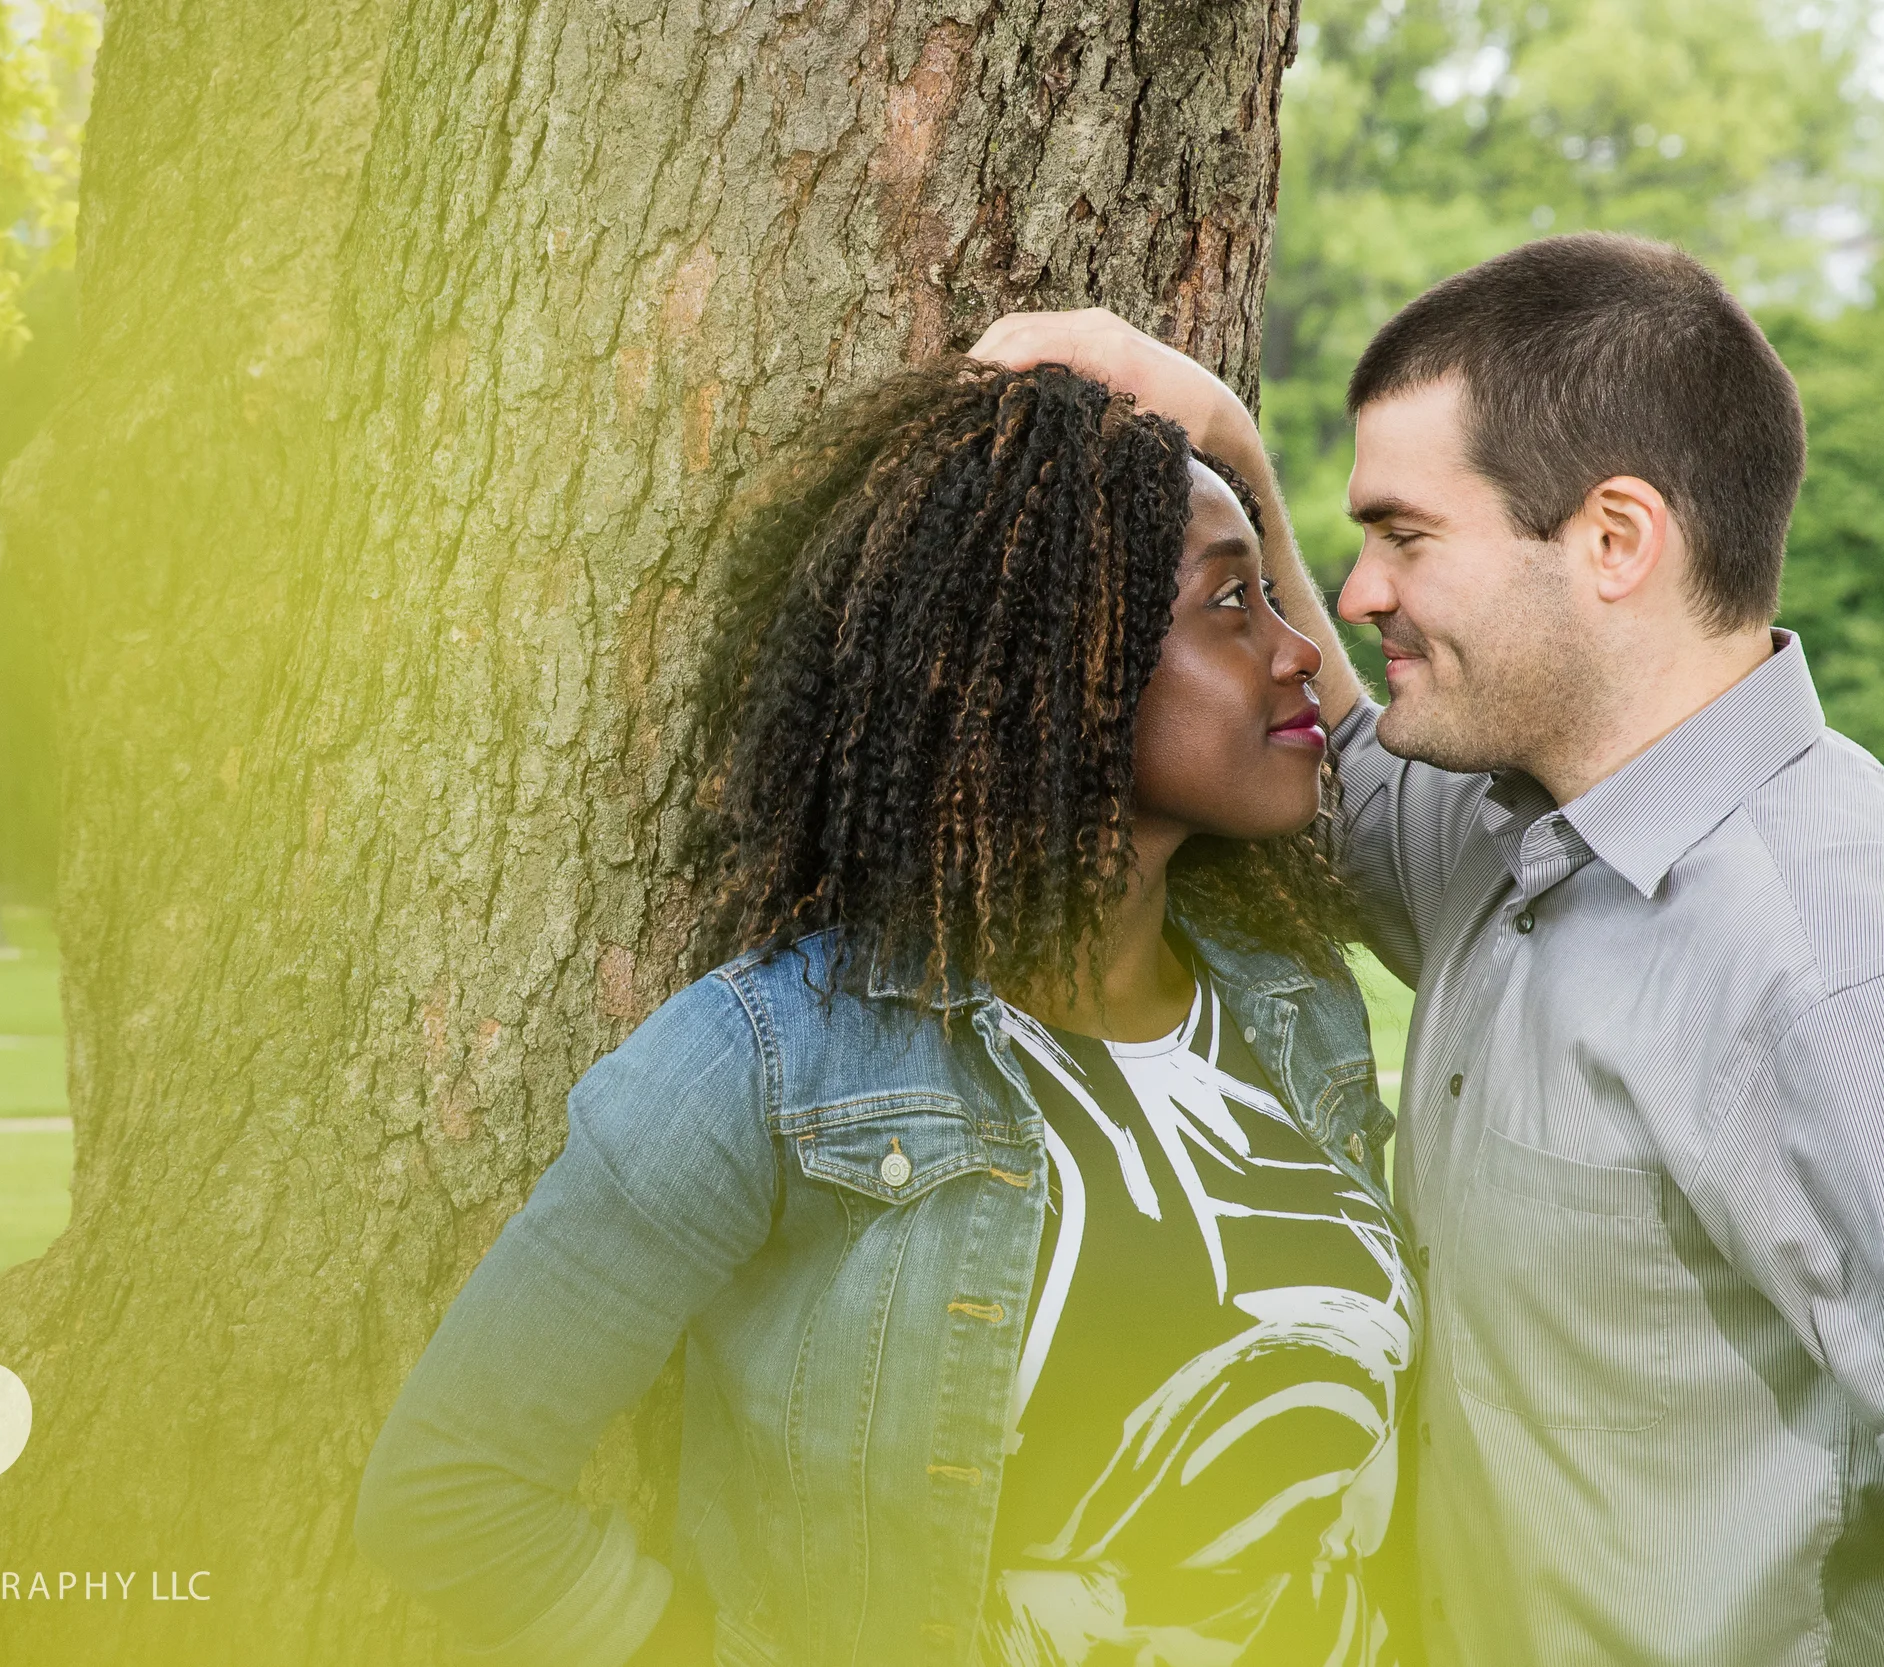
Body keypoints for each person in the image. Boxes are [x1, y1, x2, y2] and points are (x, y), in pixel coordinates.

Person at [971, 232, 1884, 1666]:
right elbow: (1337, 782)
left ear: (1615, 541)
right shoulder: (1515, 822)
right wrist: (1228, 446)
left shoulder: (1845, 964)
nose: (1357, 591)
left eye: (1406, 535)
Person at [356, 360, 1418, 1665]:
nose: (1302, 651)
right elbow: (452, 1486)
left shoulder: (1296, 1006)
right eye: (1231, 602)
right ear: (1047, 664)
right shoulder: (768, 1062)